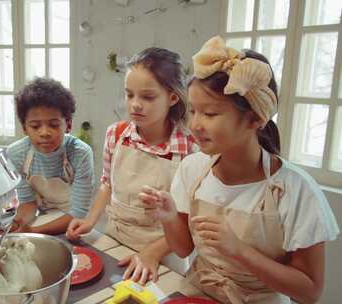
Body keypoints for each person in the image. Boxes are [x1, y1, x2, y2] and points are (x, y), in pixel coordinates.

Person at [140, 36, 340, 303]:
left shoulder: (294, 189)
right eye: (193, 111)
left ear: (255, 118)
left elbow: (310, 290)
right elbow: (184, 248)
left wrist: (240, 251)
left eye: (210, 114)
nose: (195, 125)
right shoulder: (193, 168)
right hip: (199, 291)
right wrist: (168, 217)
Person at [66, 48, 197, 284]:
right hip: (116, 241)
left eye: (147, 97)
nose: (135, 105)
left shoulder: (190, 148)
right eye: (129, 95)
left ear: (173, 97)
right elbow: (107, 183)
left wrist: (152, 253)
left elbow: (190, 222)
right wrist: (90, 220)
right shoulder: (116, 134)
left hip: (164, 254)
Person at [6, 77, 95, 235]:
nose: (44, 133)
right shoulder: (16, 154)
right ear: (24, 128)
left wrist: (31, 231)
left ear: (68, 125)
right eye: (35, 126)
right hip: (44, 218)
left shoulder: (80, 153)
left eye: (54, 125)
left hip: (75, 224)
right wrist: (17, 226)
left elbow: (79, 212)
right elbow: (28, 203)